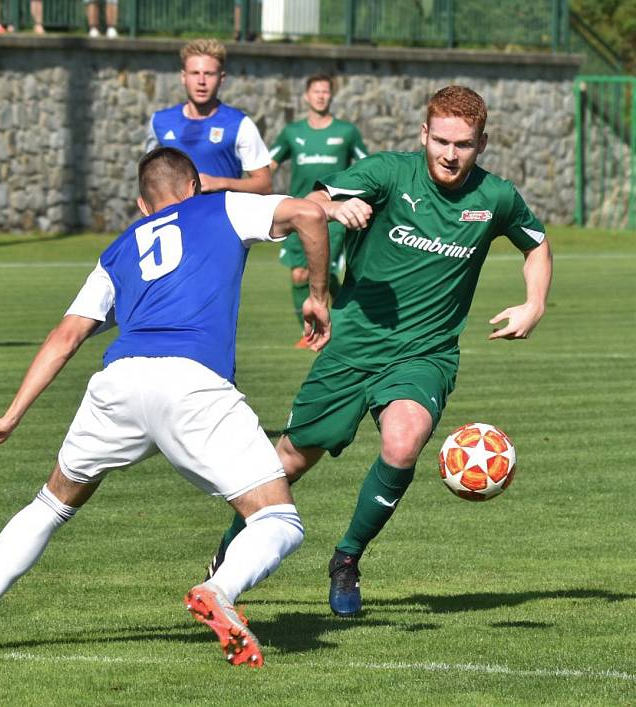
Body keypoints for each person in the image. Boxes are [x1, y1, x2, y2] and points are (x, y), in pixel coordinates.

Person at [0, 147, 332, 667]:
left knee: (51, 505)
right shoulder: (223, 206)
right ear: (194, 188)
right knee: (278, 518)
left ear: (143, 204)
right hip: (192, 383)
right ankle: (221, 590)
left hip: (118, 383)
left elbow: (65, 336)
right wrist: (318, 295)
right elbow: (310, 212)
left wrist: (10, 416)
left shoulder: (118, 251)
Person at [204, 85, 553, 617]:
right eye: (440, 141)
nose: (450, 154)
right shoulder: (390, 173)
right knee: (290, 461)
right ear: (424, 134)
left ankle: (346, 558)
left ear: (482, 142)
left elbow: (537, 244)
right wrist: (336, 206)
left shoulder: (496, 198)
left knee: (403, 440)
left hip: (425, 354)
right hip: (354, 344)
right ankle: (228, 556)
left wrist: (534, 304)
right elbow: (310, 202)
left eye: (463, 144)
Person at [269, 74, 368, 347]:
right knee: (299, 274)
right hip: (298, 214)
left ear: (331, 96)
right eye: (316, 91)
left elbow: (366, 166)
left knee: (319, 271)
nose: (321, 96)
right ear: (306, 96)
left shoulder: (346, 132)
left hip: (333, 216)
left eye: (326, 91)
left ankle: (328, 326)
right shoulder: (292, 132)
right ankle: (313, 328)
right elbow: (269, 165)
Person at [145, 39, 272, 195]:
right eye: (195, 73)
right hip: (176, 219)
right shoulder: (159, 122)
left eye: (209, 74)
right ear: (183, 77)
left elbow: (265, 185)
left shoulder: (239, 124)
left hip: (220, 217)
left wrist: (220, 183)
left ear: (222, 78)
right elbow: (149, 179)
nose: (201, 81)